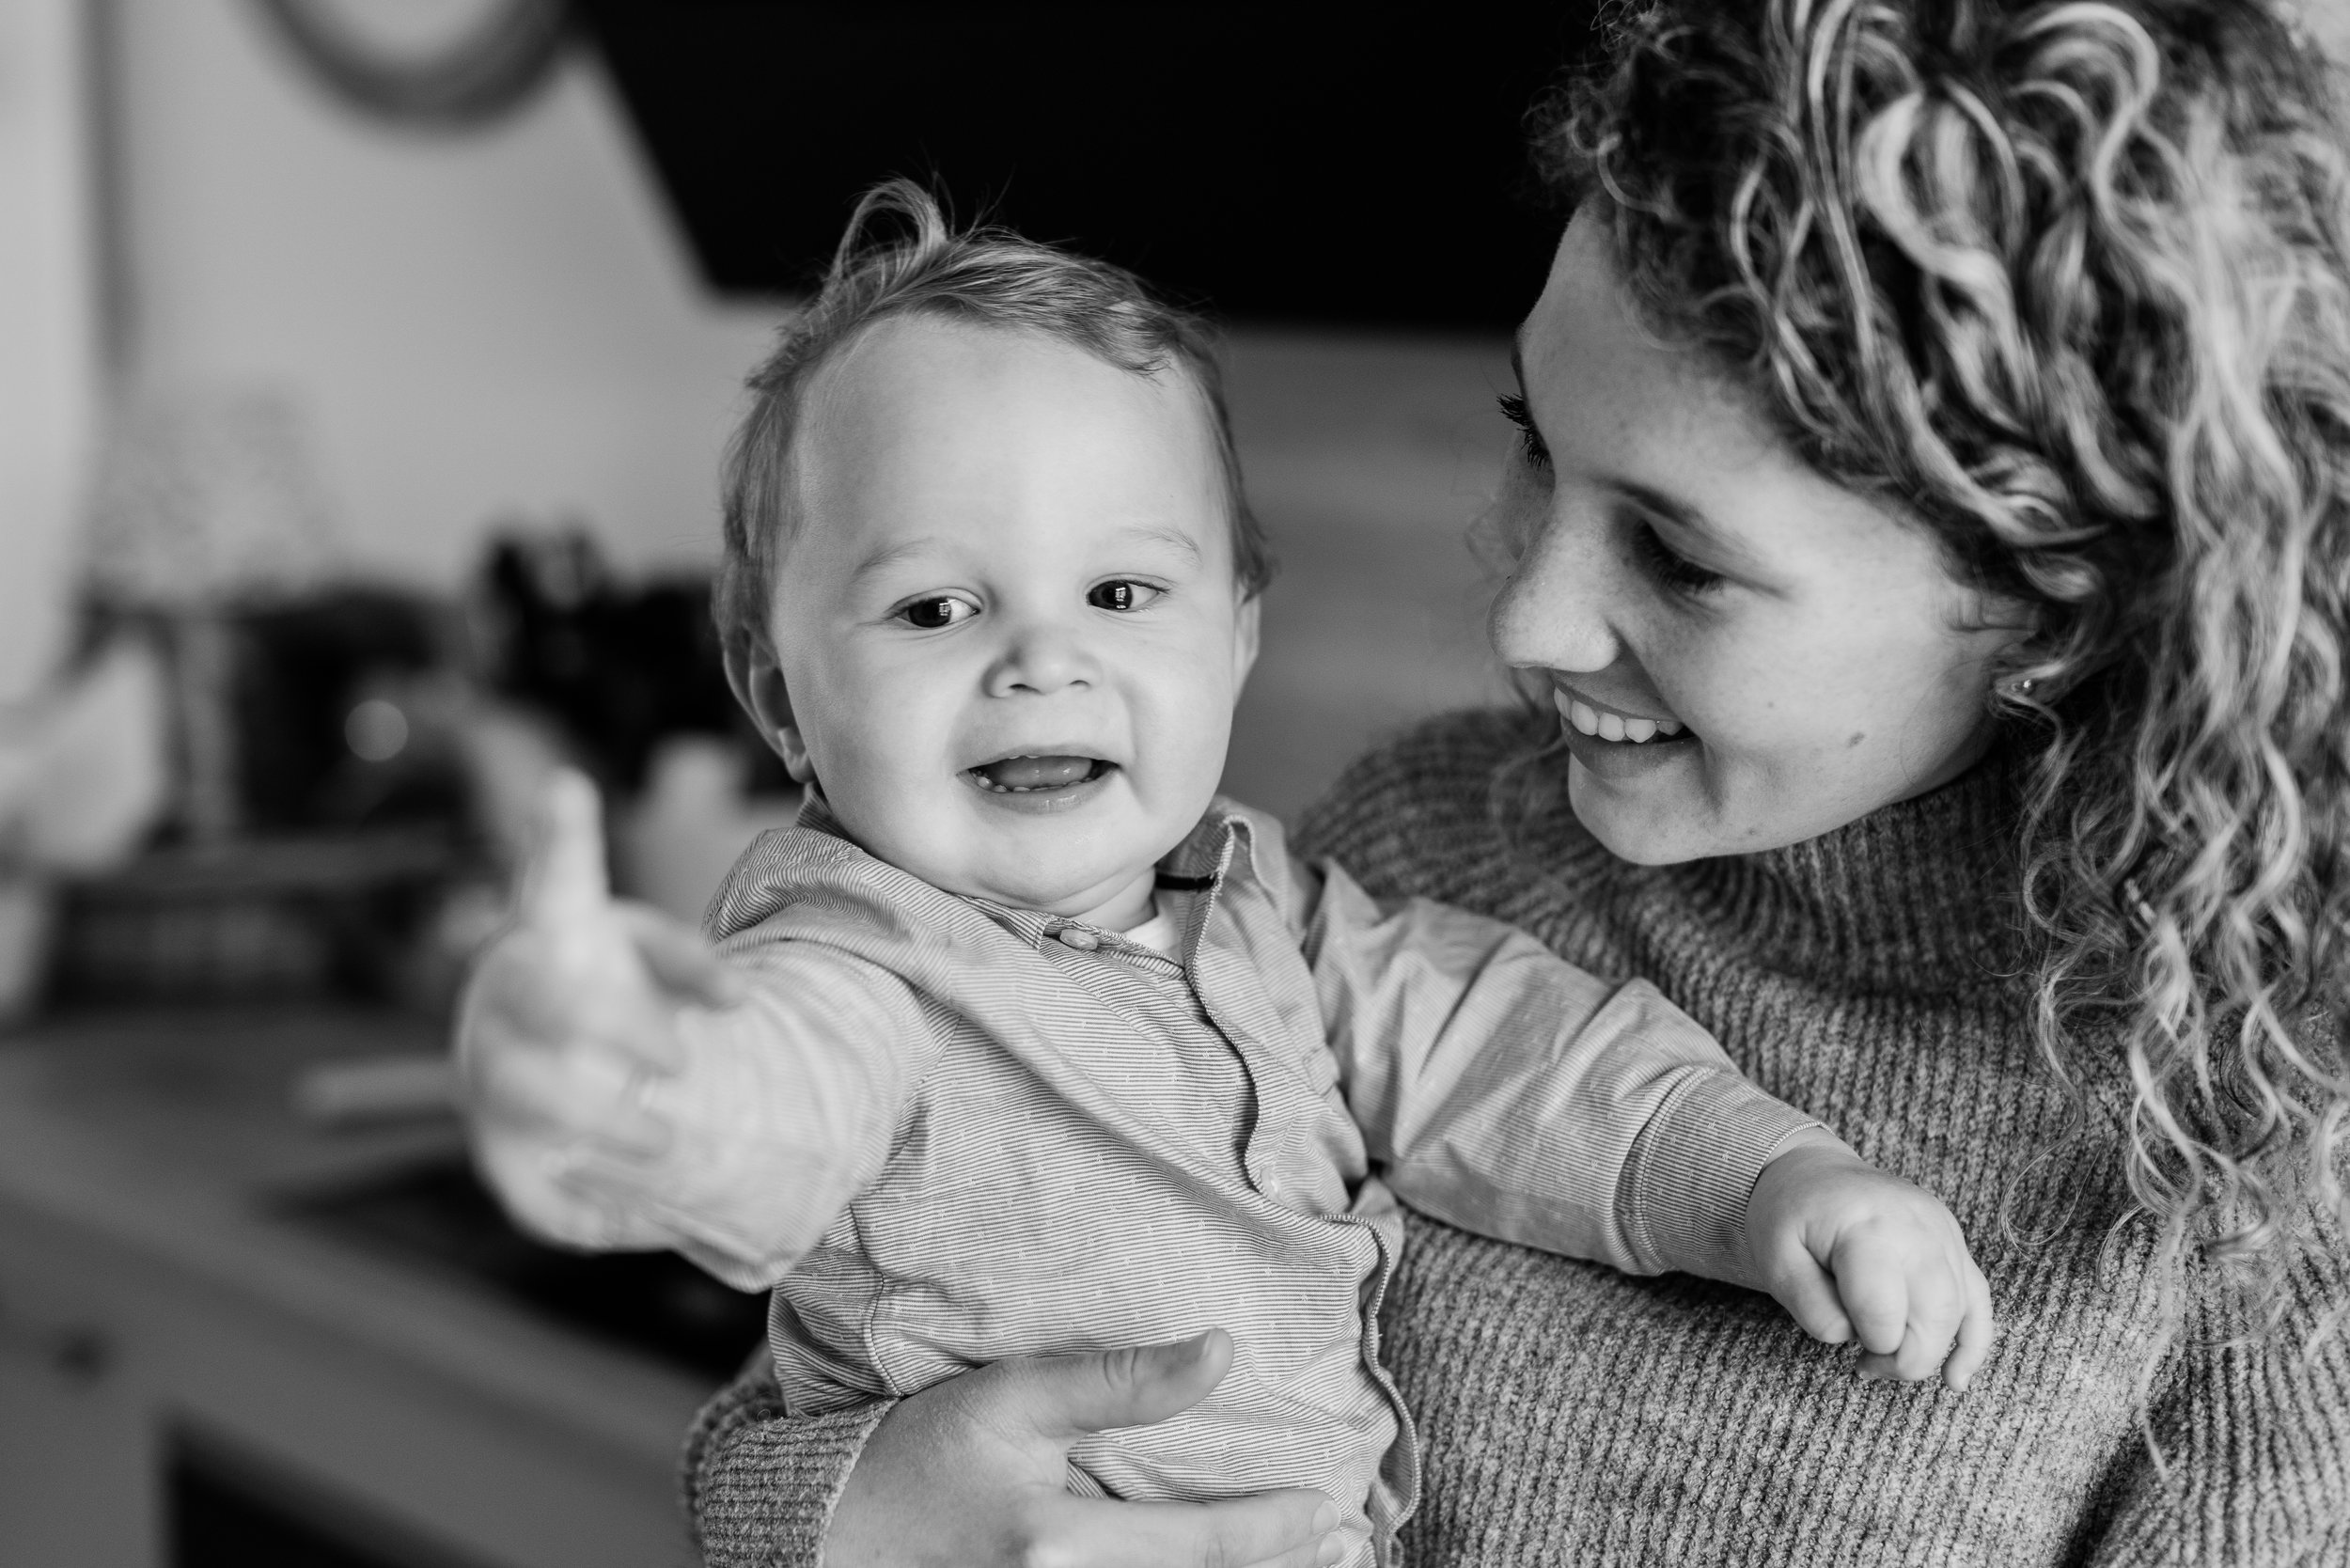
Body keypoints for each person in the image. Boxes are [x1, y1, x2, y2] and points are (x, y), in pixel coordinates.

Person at [465, 1, 2350, 1563]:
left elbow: (1550, 1096)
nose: (1523, 615)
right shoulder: (1412, 841)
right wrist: (846, 1497)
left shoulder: (2245, 1180)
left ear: (2048, 598)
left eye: (1675, 556)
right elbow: (841, 1228)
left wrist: (1769, 1178)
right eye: (1531, 443)